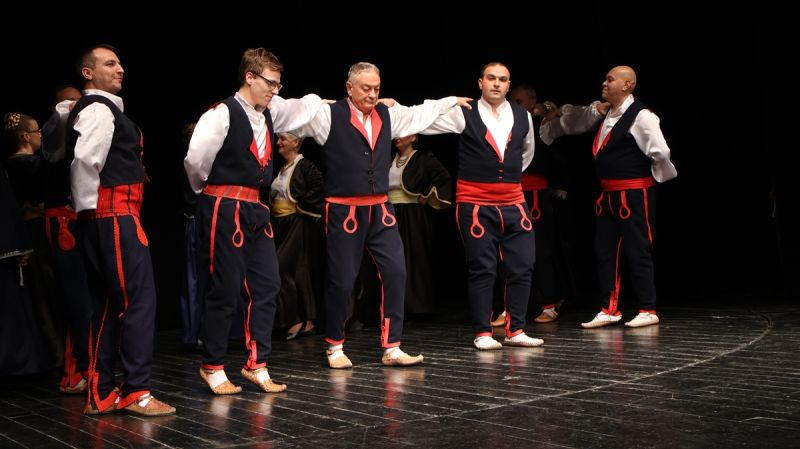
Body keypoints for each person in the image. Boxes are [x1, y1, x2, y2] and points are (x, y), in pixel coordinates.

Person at [291, 62, 472, 368]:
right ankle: (334, 345)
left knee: (396, 272)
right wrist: (317, 102)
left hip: (380, 208)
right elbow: (293, 115)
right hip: (344, 208)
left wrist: (450, 100)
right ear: (349, 88)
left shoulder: (387, 114)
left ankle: (392, 346)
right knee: (343, 279)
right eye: (366, 88)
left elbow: (419, 113)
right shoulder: (329, 115)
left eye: (377, 88)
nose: (373, 94)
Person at [185, 48, 324, 394]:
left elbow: (306, 106)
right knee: (226, 286)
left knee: (267, 284)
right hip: (224, 202)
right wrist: (211, 192)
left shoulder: (269, 112)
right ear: (250, 77)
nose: (275, 91)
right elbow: (196, 161)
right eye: (271, 83)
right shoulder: (222, 113)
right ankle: (213, 366)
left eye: (278, 85)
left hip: (255, 206)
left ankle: (257, 363)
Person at [66, 44, 175, 415]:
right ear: (87, 73)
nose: (120, 69)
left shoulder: (94, 108)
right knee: (138, 302)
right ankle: (136, 391)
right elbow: (85, 160)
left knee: (106, 305)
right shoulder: (98, 108)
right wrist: (87, 209)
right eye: (109, 63)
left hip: (103, 218)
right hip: (113, 215)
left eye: (120, 63)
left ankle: (100, 393)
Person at [540, 65, 677, 329]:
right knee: (605, 251)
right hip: (608, 194)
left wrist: (649, 180)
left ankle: (648, 308)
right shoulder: (607, 113)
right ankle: (609, 308)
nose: (604, 83)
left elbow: (660, 152)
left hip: (634, 193)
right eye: (605, 79)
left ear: (627, 85)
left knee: (637, 250)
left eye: (610, 79)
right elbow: (576, 121)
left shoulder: (642, 116)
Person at [422, 62, 544, 350]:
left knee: (522, 265)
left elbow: (526, 152)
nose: (497, 83)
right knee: (483, 268)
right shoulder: (464, 112)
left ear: (509, 84)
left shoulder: (522, 116)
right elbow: (423, 121)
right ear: (480, 83)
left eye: (503, 79)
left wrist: (507, 176)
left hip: (513, 201)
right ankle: (483, 332)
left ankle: (516, 329)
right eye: (491, 78)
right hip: (476, 202)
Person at [41, 86, 93, 394]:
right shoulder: (57, 128)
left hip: (82, 220)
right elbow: (59, 120)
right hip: (64, 222)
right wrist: (77, 105)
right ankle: (76, 373)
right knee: (77, 299)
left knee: (89, 297)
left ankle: (88, 366)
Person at [388, 134, 452, 317]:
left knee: (414, 258)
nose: (398, 137)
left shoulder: (423, 159)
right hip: (390, 213)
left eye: (403, 133)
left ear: (413, 137)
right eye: (397, 133)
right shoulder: (388, 159)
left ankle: (416, 307)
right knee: (391, 259)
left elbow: (443, 177)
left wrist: (427, 194)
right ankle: (392, 306)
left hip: (413, 215)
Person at [270, 131, 324, 340]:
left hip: (296, 223)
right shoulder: (283, 168)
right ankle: (305, 320)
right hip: (280, 224)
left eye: (283, 139)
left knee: (280, 267)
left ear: (296, 142)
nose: (278, 142)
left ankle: (296, 319)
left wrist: (301, 207)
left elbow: (319, 187)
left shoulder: (305, 165)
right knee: (297, 271)